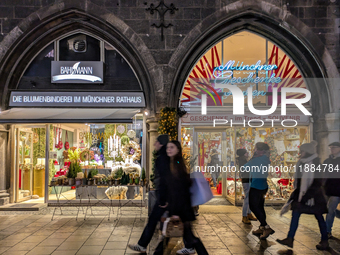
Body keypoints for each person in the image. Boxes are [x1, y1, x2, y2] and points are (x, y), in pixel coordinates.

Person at [277, 141, 329, 250]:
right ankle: (290, 238)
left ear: (307, 151)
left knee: (319, 217)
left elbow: (317, 182)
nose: (300, 153)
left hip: (314, 197)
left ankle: (325, 241)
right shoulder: (301, 162)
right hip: (301, 194)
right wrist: (296, 194)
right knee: (295, 214)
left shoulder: (316, 163)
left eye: (302, 151)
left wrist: (306, 196)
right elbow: (299, 181)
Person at [161, 141, 209, 255]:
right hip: (181, 206)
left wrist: (176, 211)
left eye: (172, 147)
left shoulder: (177, 164)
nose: (169, 149)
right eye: (168, 147)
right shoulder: (174, 162)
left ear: (178, 149)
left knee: (189, 236)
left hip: (182, 207)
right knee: (187, 235)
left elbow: (180, 188)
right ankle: (189, 248)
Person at [246, 142, 274, 239]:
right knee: (260, 207)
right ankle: (262, 227)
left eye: (256, 149)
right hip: (263, 186)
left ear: (260, 151)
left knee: (253, 207)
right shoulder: (265, 159)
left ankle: (266, 227)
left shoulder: (256, 160)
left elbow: (245, 167)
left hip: (256, 186)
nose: (254, 150)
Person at [236, 148, 257, 224]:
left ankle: (249, 213)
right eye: (246, 153)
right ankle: (244, 216)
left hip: (249, 179)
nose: (247, 153)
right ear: (243, 154)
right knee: (247, 197)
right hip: (246, 180)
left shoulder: (243, 160)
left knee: (250, 197)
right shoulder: (242, 161)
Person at [324, 141, 340, 239]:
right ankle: (327, 230)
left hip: (337, 189)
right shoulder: (327, 161)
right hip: (328, 189)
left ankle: (327, 230)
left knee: (331, 210)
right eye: (330, 148)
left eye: (334, 147)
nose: (332, 149)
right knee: (330, 210)